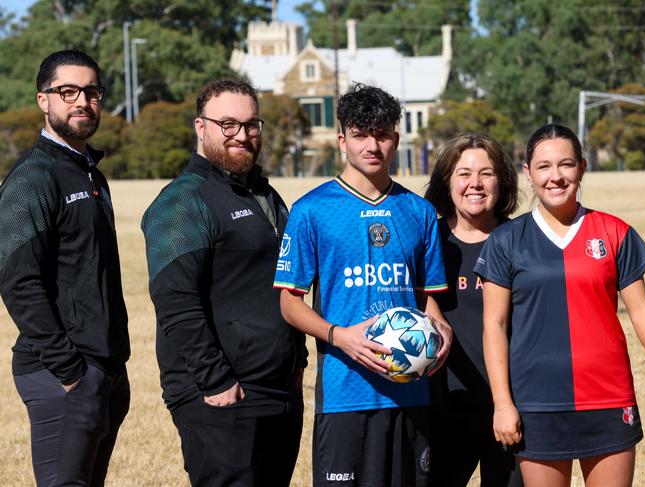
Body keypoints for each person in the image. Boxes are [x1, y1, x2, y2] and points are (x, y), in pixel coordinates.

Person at [274, 84, 452, 487]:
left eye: (383, 133)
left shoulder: (419, 212)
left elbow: (428, 300)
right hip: (344, 392)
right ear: (342, 140)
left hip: (411, 391)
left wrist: (441, 328)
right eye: (360, 134)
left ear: (397, 137)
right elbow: (289, 302)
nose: (373, 145)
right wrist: (339, 337)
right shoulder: (311, 210)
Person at [141, 79, 306, 487]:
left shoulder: (264, 195)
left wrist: (296, 365)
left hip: (278, 390)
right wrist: (216, 381)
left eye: (251, 125)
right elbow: (175, 300)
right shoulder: (184, 201)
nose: (242, 135)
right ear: (201, 127)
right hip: (221, 396)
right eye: (228, 124)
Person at [476, 123, 645, 487]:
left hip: (608, 398)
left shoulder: (615, 232)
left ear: (582, 168)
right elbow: (494, 326)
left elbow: (641, 312)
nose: (555, 177)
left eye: (566, 165)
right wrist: (503, 403)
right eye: (543, 166)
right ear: (528, 173)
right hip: (536, 404)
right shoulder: (507, 240)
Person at [0, 50, 130, 486]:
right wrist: (71, 372)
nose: (82, 101)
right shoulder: (33, 178)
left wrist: (108, 370)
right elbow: (18, 283)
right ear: (44, 100)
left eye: (91, 92)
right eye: (67, 91)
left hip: (104, 369)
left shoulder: (89, 171)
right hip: (62, 374)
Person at [425, 133, 523, 487]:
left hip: (513, 409)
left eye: (487, 173)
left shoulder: (521, 239)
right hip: (444, 407)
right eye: (463, 173)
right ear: (446, 181)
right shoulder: (428, 241)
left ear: (503, 181)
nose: (475, 184)